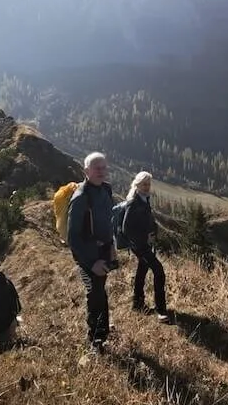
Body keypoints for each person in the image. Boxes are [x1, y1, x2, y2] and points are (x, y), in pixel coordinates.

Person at [67, 151, 117, 352]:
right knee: (94, 293)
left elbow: (108, 221)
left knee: (100, 289)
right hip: (88, 255)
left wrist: (112, 246)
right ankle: (95, 339)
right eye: (96, 167)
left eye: (104, 167)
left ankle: (103, 331)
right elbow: (73, 237)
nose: (101, 171)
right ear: (86, 170)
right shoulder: (80, 198)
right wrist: (91, 262)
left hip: (104, 249)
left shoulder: (106, 189)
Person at [122, 171, 173, 323]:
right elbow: (126, 229)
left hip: (144, 244)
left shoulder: (144, 199)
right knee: (159, 272)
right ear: (137, 185)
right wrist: (145, 238)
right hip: (140, 246)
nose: (147, 187)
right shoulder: (133, 202)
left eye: (148, 184)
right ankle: (161, 310)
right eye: (144, 184)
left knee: (142, 271)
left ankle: (137, 304)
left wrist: (152, 233)